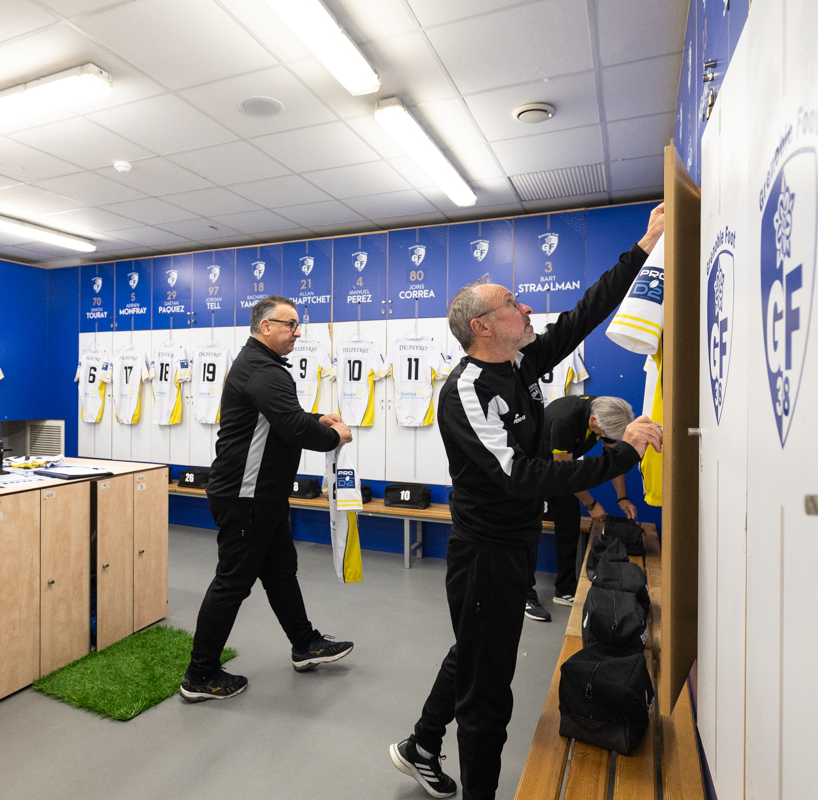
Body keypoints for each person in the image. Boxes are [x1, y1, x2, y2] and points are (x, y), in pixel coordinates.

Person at [389, 204, 666, 800]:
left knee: (475, 650)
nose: (528, 308)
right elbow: (522, 476)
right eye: (515, 302)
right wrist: (624, 454)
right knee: (489, 692)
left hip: (510, 545)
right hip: (485, 553)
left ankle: (420, 744)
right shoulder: (465, 391)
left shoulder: (520, 363)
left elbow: (582, 316)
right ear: (483, 325)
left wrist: (643, 247)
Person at [181, 296, 355, 702]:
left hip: (265, 496)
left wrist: (316, 418)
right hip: (246, 497)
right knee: (232, 583)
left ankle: (305, 644)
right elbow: (292, 428)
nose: (298, 332)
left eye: (298, 324)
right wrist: (333, 435)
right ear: (265, 327)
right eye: (290, 324)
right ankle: (199, 675)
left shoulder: (264, 368)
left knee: (280, 572)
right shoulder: (262, 369)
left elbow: (279, 419)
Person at [538, 395, 637, 613]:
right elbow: (564, 476)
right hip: (534, 469)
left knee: (569, 524)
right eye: (604, 432)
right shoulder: (564, 420)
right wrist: (591, 504)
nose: (605, 437)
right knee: (528, 529)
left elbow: (613, 462)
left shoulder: (606, 413)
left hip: (560, 469)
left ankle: (564, 591)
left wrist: (622, 498)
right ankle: (526, 596)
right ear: (592, 420)